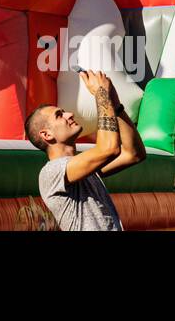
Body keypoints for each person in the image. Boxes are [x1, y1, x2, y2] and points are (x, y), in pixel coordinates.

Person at [26, 70, 145, 231]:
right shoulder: (51, 172)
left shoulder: (85, 169)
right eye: (59, 115)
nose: (69, 114)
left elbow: (134, 154)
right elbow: (109, 149)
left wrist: (116, 106)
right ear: (46, 135)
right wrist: (101, 94)